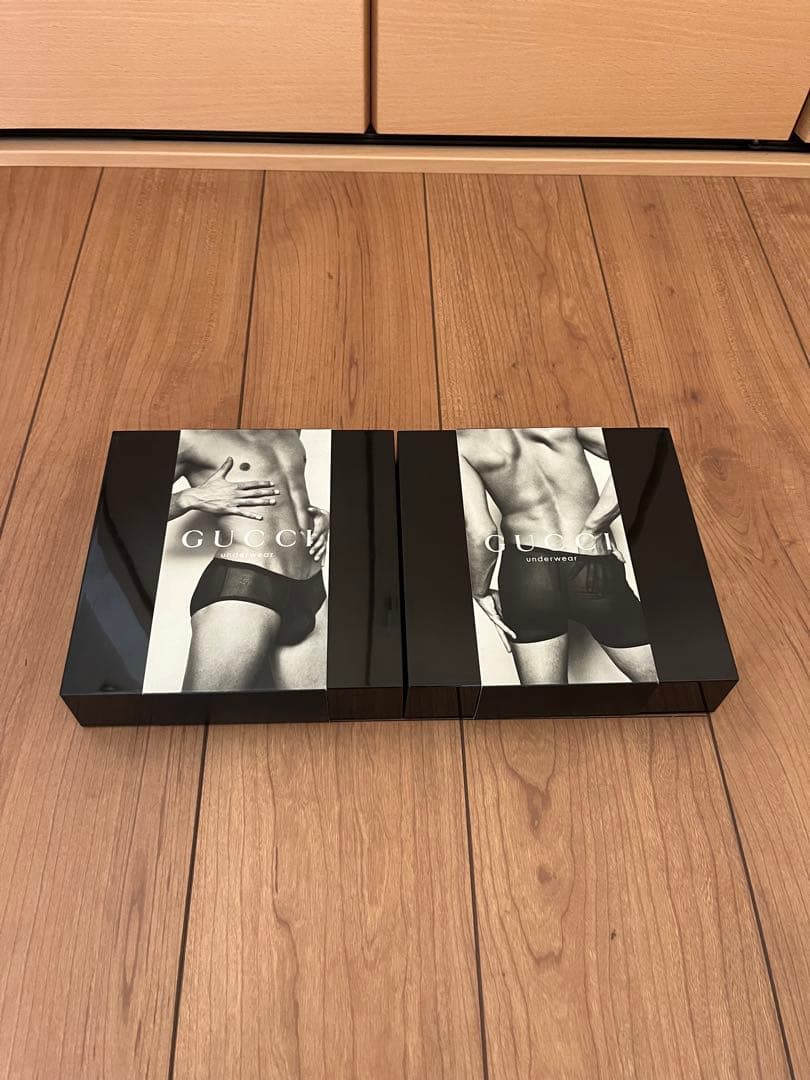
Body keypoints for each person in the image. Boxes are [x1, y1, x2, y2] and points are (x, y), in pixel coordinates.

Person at [458, 426, 656, 685]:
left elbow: (481, 532)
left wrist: (480, 591)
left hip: (527, 574)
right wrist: (593, 528)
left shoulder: (461, 443)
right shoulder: (560, 422)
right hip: (589, 561)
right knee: (667, 686)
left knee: (546, 702)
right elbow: (637, 455)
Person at [168, 429, 329, 691]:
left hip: (311, 587)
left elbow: (285, 490)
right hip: (246, 586)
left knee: (318, 710)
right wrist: (189, 498)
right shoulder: (190, 437)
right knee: (202, 710)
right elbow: (132, 507)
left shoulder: (292, 429)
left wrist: (320, 515)